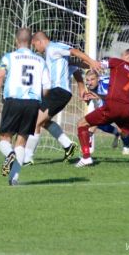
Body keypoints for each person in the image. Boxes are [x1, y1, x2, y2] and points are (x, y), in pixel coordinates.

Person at [75, 49, 129, 168]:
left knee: (82, 123)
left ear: (127, 56)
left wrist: (78, 62)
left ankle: (86, 157)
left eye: (122, 54)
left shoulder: (119, 63)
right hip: (127, 108)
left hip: (113, 105)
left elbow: (97, 64)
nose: (121, 56)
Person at [23, 31, 100, 165]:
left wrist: (92, 62)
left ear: (39, 41)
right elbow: (74, 67)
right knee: (43, 121)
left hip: (58, 92)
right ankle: (68, 145)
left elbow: (75, 51)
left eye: (34, 45)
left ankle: (27, 159)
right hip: (56, 92)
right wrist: (81, 87)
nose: (35, 49)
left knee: (35, 121)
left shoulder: (54, 47)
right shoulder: (53, 55)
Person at [0, 28, 50, 186]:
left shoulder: (9, 57)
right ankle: (14, 179)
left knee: (4, 138)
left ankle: (9, 154)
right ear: (31, 42)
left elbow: (0, 76)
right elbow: (47, 87)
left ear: (16, 41)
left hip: (13, 101)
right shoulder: (40, 61)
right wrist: (39, 99)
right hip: (32, 103)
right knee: (22, 141)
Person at [83, 69, 129, 154]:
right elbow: (99, 104)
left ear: (98, 79)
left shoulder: (105, 85)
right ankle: (116, 133)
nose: (89, 82)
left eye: (92, 79)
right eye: (87, 80)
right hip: (108, 101)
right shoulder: (90, 86)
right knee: (97, 122)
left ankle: (127, 145)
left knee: (121, 128)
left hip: (121, 101)